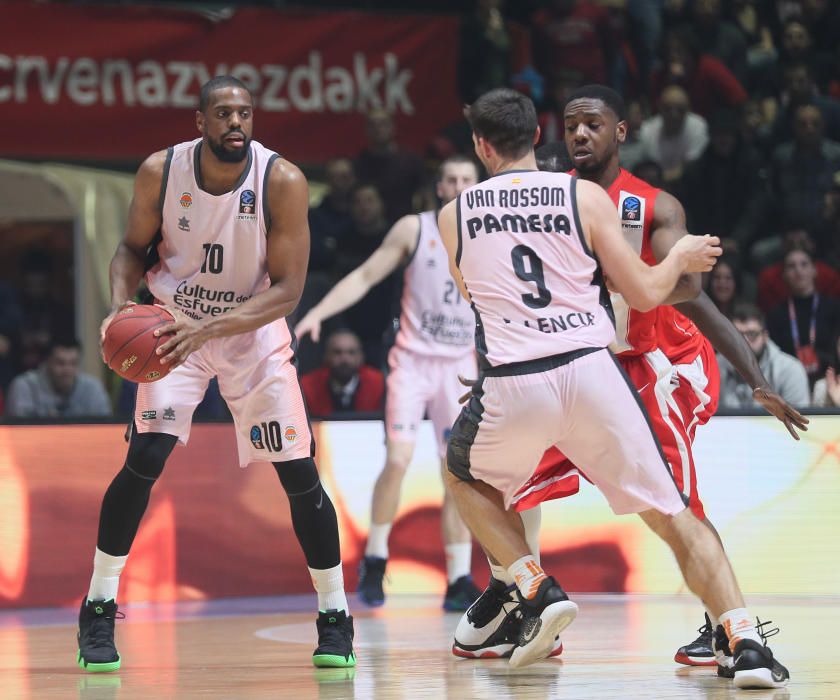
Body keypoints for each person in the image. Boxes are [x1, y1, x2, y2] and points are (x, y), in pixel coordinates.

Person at [440, 87, 789, 689]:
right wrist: (677, 256)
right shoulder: (580, 199)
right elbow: (655, 288)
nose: (580, 135)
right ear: (542, 133)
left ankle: (529, 586)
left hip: (587, 369)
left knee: (468, 476)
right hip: (593, 370)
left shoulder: (455, 213)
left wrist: (753, 376)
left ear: (480, 145)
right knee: (666, 513)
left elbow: (480, 303)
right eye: (571, 126)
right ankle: (743, 637)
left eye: (591, 124)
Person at [76, 76, 355, 674]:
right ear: (199, 120)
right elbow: (130, 249)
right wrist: (123, 307)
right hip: (173, 326)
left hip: (250, 333)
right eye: (224, 113)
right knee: (145, 456)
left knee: (298, 472)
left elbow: (288, 291)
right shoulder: (161, 170)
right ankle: (98, 604)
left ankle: (335, 615)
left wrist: (213, 327)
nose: (237, 123)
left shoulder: (281, 180)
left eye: (245, 114)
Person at [296, 156, 482, 611]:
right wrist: (316, 313)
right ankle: (376, 558)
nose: (458, 187)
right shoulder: (413, 229)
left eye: (467, 180)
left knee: (457, 473)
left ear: (478, 187)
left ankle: (459, 577)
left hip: (461, 364)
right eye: (451, 180)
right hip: (413, 362)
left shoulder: (490, 234)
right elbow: (364, 274)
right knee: (398, 459)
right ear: (439, 186)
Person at [766, 246, 840, 385]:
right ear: (784, 274)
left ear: (814, 270)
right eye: (791, 266)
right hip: (788, 382)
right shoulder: (775, 315)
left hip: (830, 380)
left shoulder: (835, 309)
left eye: (804, 264)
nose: (798, 270)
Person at [719, 302, 810, 408]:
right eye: (737, 335)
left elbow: (796, 420)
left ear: (765, 336)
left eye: (751, 334)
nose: (744, 341)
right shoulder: (715, 366)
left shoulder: (790, 369)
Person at [6, 337, 111, 418]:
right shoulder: (25, 386)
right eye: (60, 363)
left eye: (73, 363)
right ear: (47, 362)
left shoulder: (93, 388)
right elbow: (18, 433)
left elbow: (105, 429)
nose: (67, 370)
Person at [300, 329, 385, 417]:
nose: (345, 359)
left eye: (351, 352)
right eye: (337, 352)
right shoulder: (308, 385)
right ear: (326, 356)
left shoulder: (378, 383)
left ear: (361, 357)